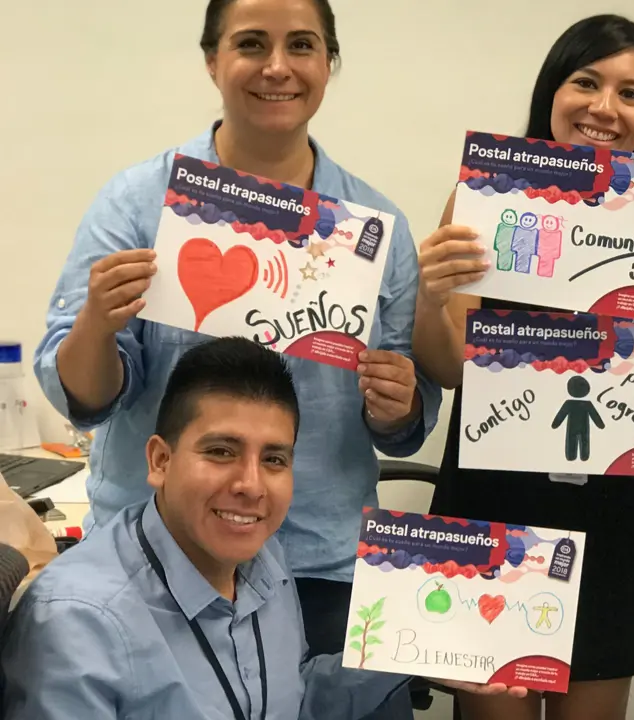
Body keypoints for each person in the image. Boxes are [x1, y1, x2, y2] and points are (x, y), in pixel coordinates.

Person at [31, 1, 437, 716]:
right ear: (212, 60)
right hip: (159, 565)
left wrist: (401, 402)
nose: (277, 67)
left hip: (325, 566)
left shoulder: (377, 230)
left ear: (328, 64)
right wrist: (97, 322)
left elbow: (406, 420)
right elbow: (81, 397)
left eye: (301, 45)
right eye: (252, 43)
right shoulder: (138, 203)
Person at [411, 14, 634, 720]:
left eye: (631, 93)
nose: (605, 108)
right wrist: (431, 301)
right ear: (552, 91)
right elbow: (446, 366)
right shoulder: (485, 201)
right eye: (587, 82)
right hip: (494, 501)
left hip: (608, 512)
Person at [1, 337, 519, 718]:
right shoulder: (77, 626)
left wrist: (415, 652)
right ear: (160, 460)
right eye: (221, 451)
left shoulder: (262, 559)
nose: (250, 485)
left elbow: (287, 698)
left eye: (274, 459)